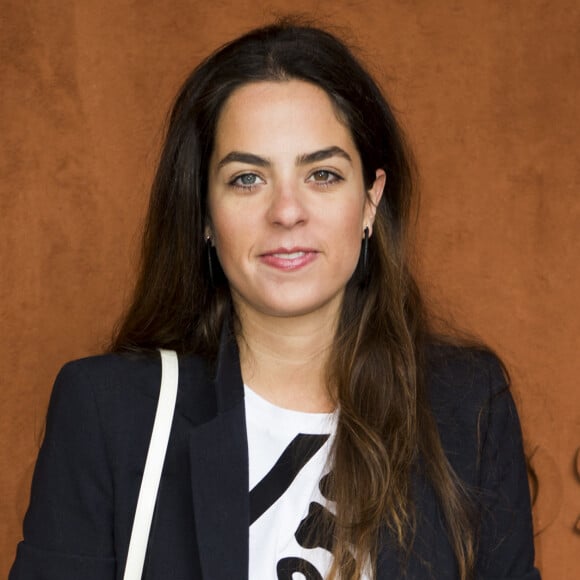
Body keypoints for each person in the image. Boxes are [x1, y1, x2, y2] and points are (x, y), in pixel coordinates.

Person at [10, 21, 540, 580]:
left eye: (323, 174)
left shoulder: (464, 407)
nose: (287, 211)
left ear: (370, 200)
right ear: (204, 214)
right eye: (247, 179)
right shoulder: (110, 412)